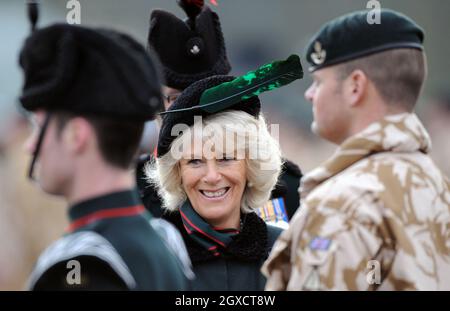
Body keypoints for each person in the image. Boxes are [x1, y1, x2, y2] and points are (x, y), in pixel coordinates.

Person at [263, 9, 450, 290]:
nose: (310, 94)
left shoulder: (341, 203)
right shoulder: (439, 188)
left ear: (355, 86)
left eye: (319, 82)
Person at [19, 20, 190, 290]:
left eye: (39, 128)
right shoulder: (164, 240)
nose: (30, 146)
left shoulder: (81, 265)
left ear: (77, 135)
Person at [138, 0, 302, 226]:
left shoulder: (282, 184)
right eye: (178, 100)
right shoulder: (133, 191)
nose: (196, 111)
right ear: (156, 106)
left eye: (211, 96)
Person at [146, 55, 303, 290]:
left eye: (226, 159)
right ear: (177, 172)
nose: (211, 176)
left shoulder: (287, 250)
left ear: (251, 165)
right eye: (195, 161)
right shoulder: (154, 255)